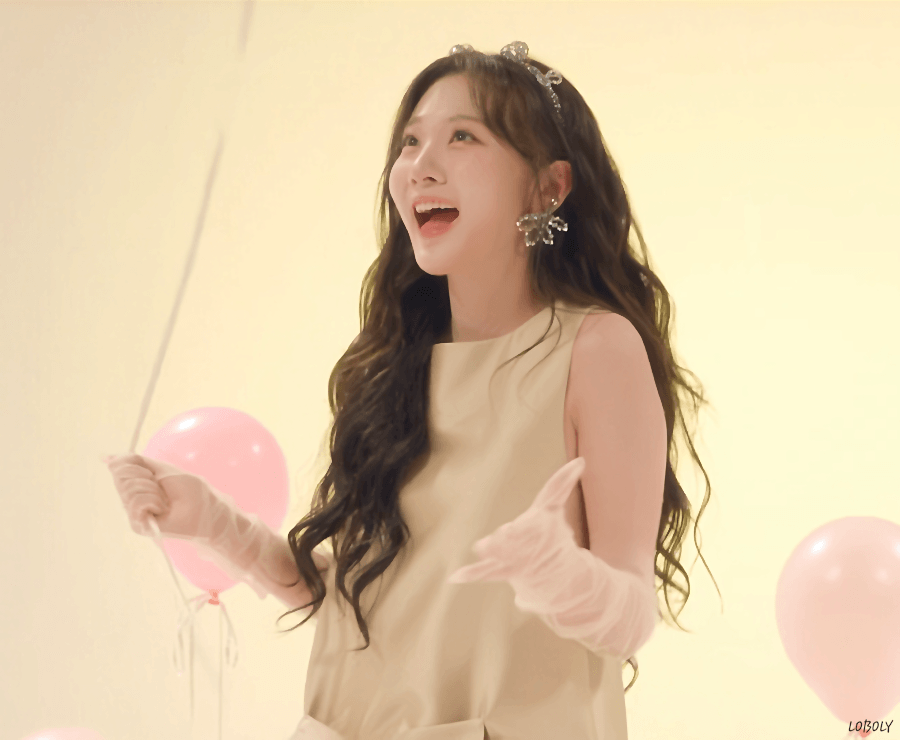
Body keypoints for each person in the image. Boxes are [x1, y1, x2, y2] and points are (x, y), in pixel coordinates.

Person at [105, 42, 718, 740]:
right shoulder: (395, 365)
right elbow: (364, 603)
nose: (421, 165)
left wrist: (561, 575)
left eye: (463, 137)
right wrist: (215, 522)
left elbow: (629, 615)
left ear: (548, 188)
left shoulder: (596, 349)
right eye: (410, 141)